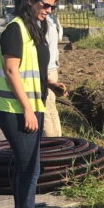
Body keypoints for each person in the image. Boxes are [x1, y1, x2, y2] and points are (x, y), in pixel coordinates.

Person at [0, 0, 67, 208]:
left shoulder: (34, 27)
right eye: (45, 5)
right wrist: (27, 109)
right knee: (30, 169)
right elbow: (12, 71)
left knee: (26, 167)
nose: (49, 10)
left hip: (31, 104)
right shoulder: (15, 29)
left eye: (52, 7)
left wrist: (50, 85)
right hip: (14, 109)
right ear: (29, 1)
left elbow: (32, 68)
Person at [42, 9, 64, 137]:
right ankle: (58, 139)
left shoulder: (43, 26)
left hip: (46, 70)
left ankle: (51, 143)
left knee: (44, 108)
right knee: (51, 108)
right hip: (52, 70)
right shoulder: (53, 24)